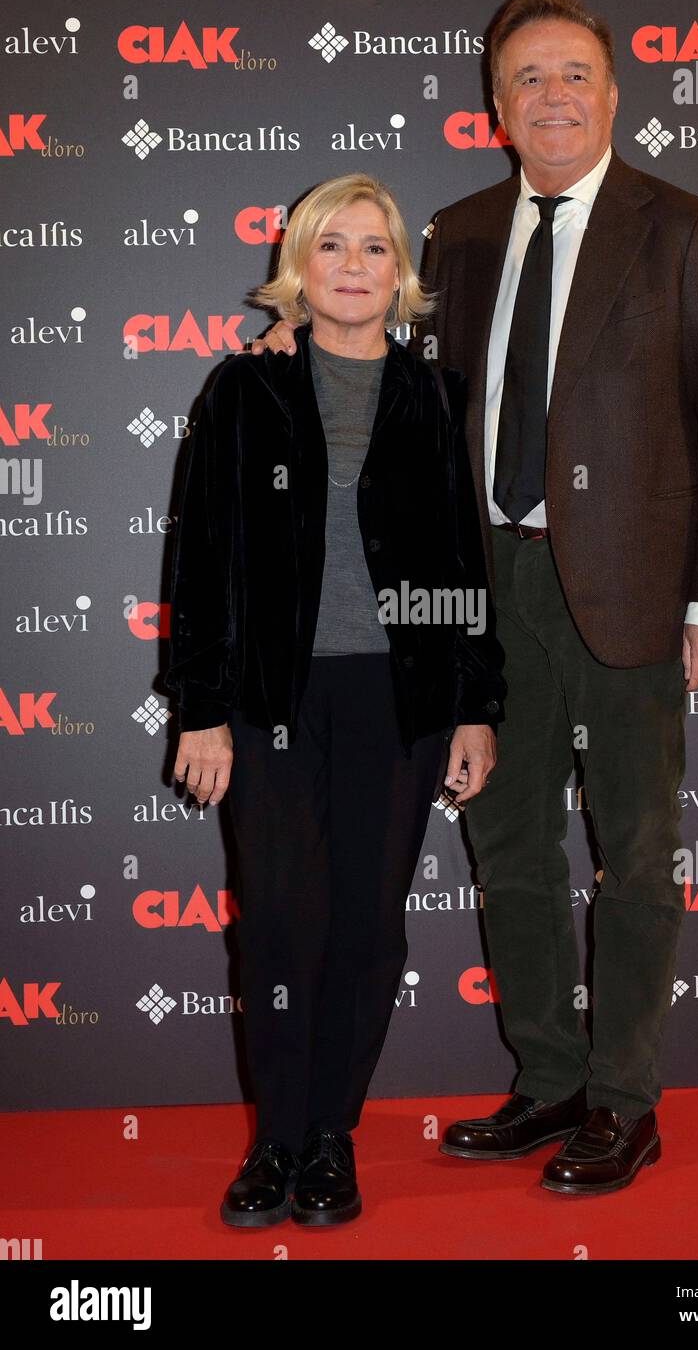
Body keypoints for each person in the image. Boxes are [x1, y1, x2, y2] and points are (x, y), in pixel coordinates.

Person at [255, 0, 698, 1198]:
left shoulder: (685, 227)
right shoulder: (460, 229)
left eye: (574, 75)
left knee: (636, 851)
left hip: (637, 587)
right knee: (510, 844)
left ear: (611, 93)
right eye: (528, 78)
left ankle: (626, 1099)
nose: (552, 97)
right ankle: (549, 1080)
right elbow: (403, 386)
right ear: (496, 106)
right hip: (481, 583)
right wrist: (290, 349)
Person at [163, 172, 505, 1228]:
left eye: (373, 248)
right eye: (332, 247)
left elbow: (462, 558)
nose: (353, 267)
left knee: (366, 927)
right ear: (297, 270)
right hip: (272, 697)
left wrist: (474, 704)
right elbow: (204, 555)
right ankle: (273, 1140)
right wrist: (202, 706)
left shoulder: (433, 395)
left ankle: (330, 1139)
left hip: (397, 702)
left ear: (399, 272)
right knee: (276, 922)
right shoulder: (242, 390)